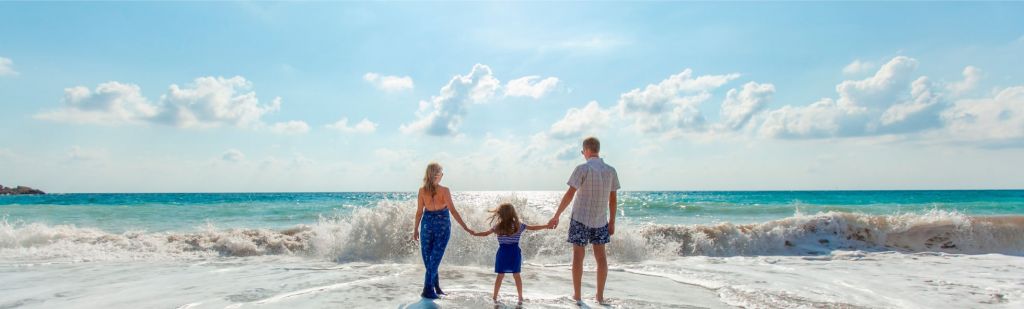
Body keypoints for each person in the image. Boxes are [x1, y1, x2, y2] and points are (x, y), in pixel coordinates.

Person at [547, 137, 620, 305]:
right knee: (601, 259)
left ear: (586, 150)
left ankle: (578, 296)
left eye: (582, 152)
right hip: (601, 220)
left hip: (580, 219)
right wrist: (612, 221)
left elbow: (570, 194)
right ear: (598, 150)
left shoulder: (582, 168)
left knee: (578, 258)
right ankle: (599, 297)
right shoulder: (611, 170)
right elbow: (613, 199)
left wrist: (556, 215)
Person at [470, 202, 552, 305]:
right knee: (516, 275)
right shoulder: (519, 225)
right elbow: (533, 228)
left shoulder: (498, 227)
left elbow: (485, 234)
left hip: (503, 253)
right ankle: (520, 297)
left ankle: (495, 297)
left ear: (500, 214)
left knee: (500, 275)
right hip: (514, 252)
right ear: (513, 213)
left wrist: (474, 233)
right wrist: (547, 226)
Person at [412, 162, 473, 299]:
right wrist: (466, 227)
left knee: (430, 259)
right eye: (441, 173)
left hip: (427, 224)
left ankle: (436, 287)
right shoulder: (444, 190)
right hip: (441, 225)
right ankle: (428, 289)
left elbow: (419, 212)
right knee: (433, 258)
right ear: (438, 175)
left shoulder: (422, 190)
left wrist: (415, 229)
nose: (442, 175)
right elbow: (453, 211)